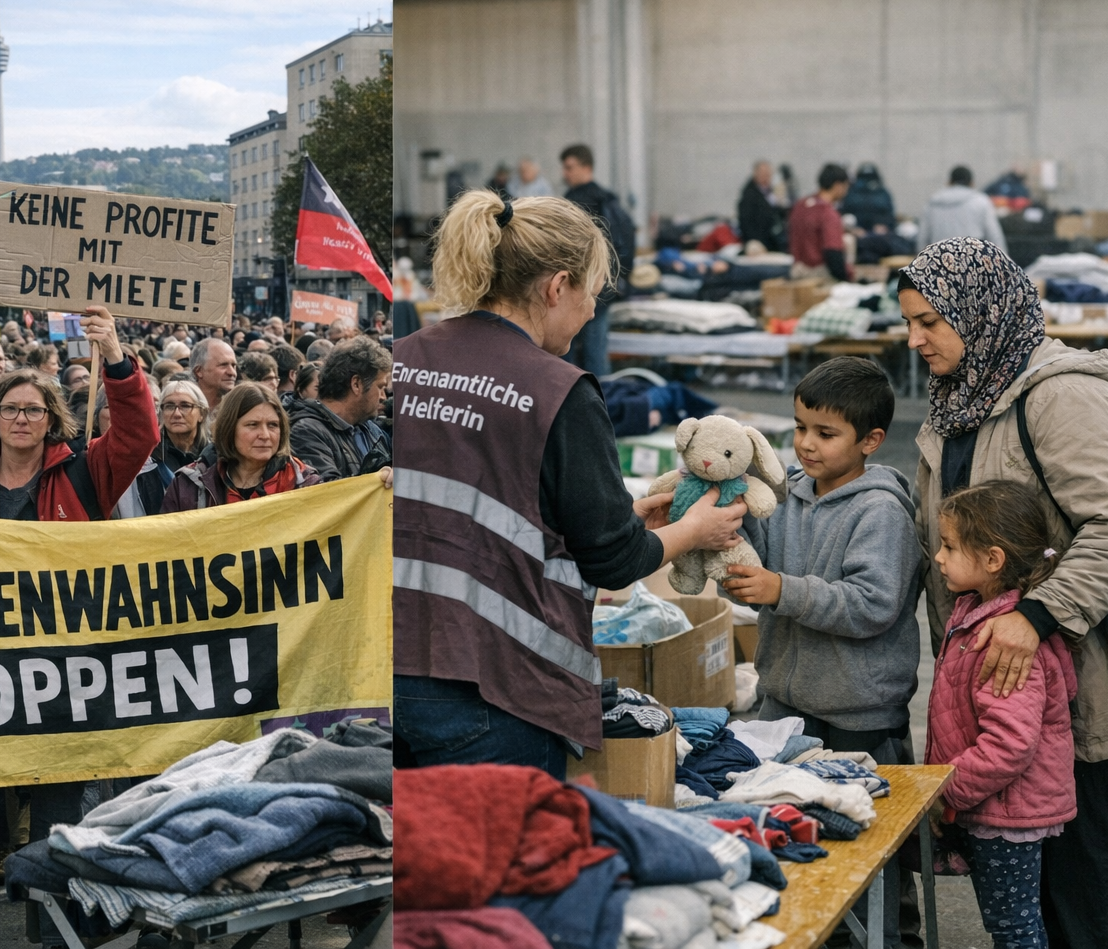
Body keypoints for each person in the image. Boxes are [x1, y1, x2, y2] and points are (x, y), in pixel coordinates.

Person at [392, 189, 747, 778]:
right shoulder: (559, 390)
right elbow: (614, 564)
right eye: (590, 294)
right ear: (558, 286)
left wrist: (620, 517)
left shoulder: (404, 359)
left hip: (391, 666)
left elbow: (477, 505)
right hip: (498, 684)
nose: (589, 314)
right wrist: (694, 529)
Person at [901, 236, 1108, 947]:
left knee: (1087, 875)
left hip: (1083, 675)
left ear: (981, 312)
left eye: (930, 321)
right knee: (1029, 889)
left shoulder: (1062, 397)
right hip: (1006, 685)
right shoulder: (962, 396)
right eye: (909, 323)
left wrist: (1038, 616)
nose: (915, 339)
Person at [0, 306, 157, 914]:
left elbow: (138, 435)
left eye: (35, 410)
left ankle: (52, 896)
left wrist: (118, 357)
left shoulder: (84, 472)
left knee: (58, 774)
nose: (23, 419)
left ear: (53, 419)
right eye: (12, 409)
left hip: (64, 653)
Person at [720, 355, 919, 948]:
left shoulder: (881, 509)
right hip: (783, 709)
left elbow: (872, 605)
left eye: (825, 433)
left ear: (871, 442)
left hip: (860, 719)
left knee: (869, 859)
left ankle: (888, 940)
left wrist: (782, 590)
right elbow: (754, 549)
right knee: (802, 846)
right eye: (800, 426)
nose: (806, 444)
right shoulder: (786, 495)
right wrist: (724, 526)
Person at [926, 480, 1077, 949]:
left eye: (949, 546)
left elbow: (1008, 743)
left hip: (1004, 817)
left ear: (993, 559)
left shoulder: (1003, 640)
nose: (938, 557)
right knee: (1011, 922)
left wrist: (945, 791)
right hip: (990, 808)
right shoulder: (975, 612)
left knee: (1014, 928)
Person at [161, 381, 320, 511]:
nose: (264, 435)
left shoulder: (305, 483)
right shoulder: (188, 486)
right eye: (253, 425)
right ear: (229, 428)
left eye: (272, 425)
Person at [560, 143, 634, 377]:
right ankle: (602, 405)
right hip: (601, 290)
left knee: (568, 359)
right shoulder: (609, 201)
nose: (565, 173)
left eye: (570, 167)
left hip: (581, 290)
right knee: (595, 355)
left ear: (586, 167)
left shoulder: (577, 204)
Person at [288, 336, 391, 481]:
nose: (383, 397)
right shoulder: (305, 432)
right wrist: (379, 480)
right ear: (356, 384)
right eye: (380, 387)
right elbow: (329, 494)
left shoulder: (372, 430)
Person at [106, 379, 209, 518]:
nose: (177, 414)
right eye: (169, 406)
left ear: (201, 413)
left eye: (185, 405)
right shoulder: (147, 460)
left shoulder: (213, 456)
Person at [788, 163, 851, 281]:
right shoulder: (828, 213)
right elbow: (833, 254)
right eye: (846, 187)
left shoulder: (800, 206)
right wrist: (847, 280)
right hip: (819, 276)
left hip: (796, 273)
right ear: (838, 186)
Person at [920, 166, 1006, 251]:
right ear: (972, 183)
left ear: (949, 182)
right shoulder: (981, 202)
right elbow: (994, 235)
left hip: (940, 258)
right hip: (973, 259)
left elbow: (923, 237)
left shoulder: (933, 203)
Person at [737, 160, 786, 252]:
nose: (766, 177)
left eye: (768, 174)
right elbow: (745, 222)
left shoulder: (771, 192)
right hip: (759, 242)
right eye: (763, 174)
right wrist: (754, 241)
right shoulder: (749, 195)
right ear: (756, 174)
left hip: (774, 240)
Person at [840, 162, 897, 234]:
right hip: (855, 231)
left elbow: (889, 215)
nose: (866, 182)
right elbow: (845, 212)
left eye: (871, 178)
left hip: (880, 233)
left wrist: (884, 225)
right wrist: (854, 229)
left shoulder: (883, 193)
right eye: (863, 179)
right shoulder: (851, 192)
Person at [189, 337, 237, 415]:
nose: (232, 372)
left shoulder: (242, 407)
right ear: (199, 371)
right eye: (223, 365)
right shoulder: (181, 407)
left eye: (233, 365)